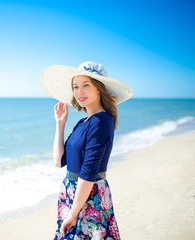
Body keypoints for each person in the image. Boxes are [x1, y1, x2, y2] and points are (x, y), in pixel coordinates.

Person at [40, 61, 133, 240]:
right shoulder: (82, 123)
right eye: (75, 86)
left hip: (89, 197)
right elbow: (58, 160)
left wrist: (74, 213)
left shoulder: (101, 121)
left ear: (99, 89)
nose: (79, 92)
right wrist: (60, 124)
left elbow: (89, 171)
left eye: (86, 85)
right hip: (71, 193)